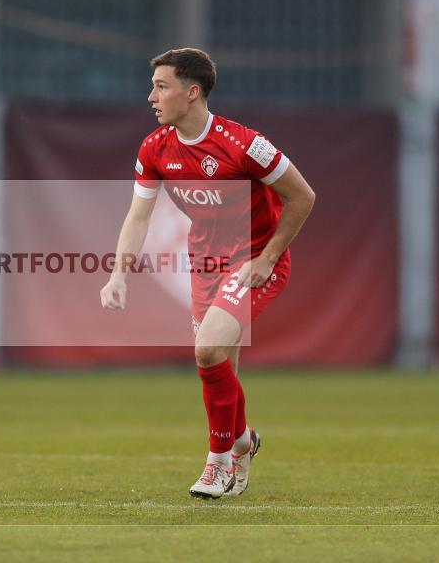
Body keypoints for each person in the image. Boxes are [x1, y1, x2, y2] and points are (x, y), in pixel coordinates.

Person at [99, 48, 315, 499]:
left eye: (161, 86)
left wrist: (269, 258)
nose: (151, 97)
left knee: (207, 349)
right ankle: (241, 443)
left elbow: (303, 197)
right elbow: (138, 217)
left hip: (253, 259)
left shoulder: (245, 145)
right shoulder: (155, 149)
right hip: (206, 265)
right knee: (217, 364)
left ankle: (217, 463)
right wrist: (119, 274)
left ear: (191, 92)